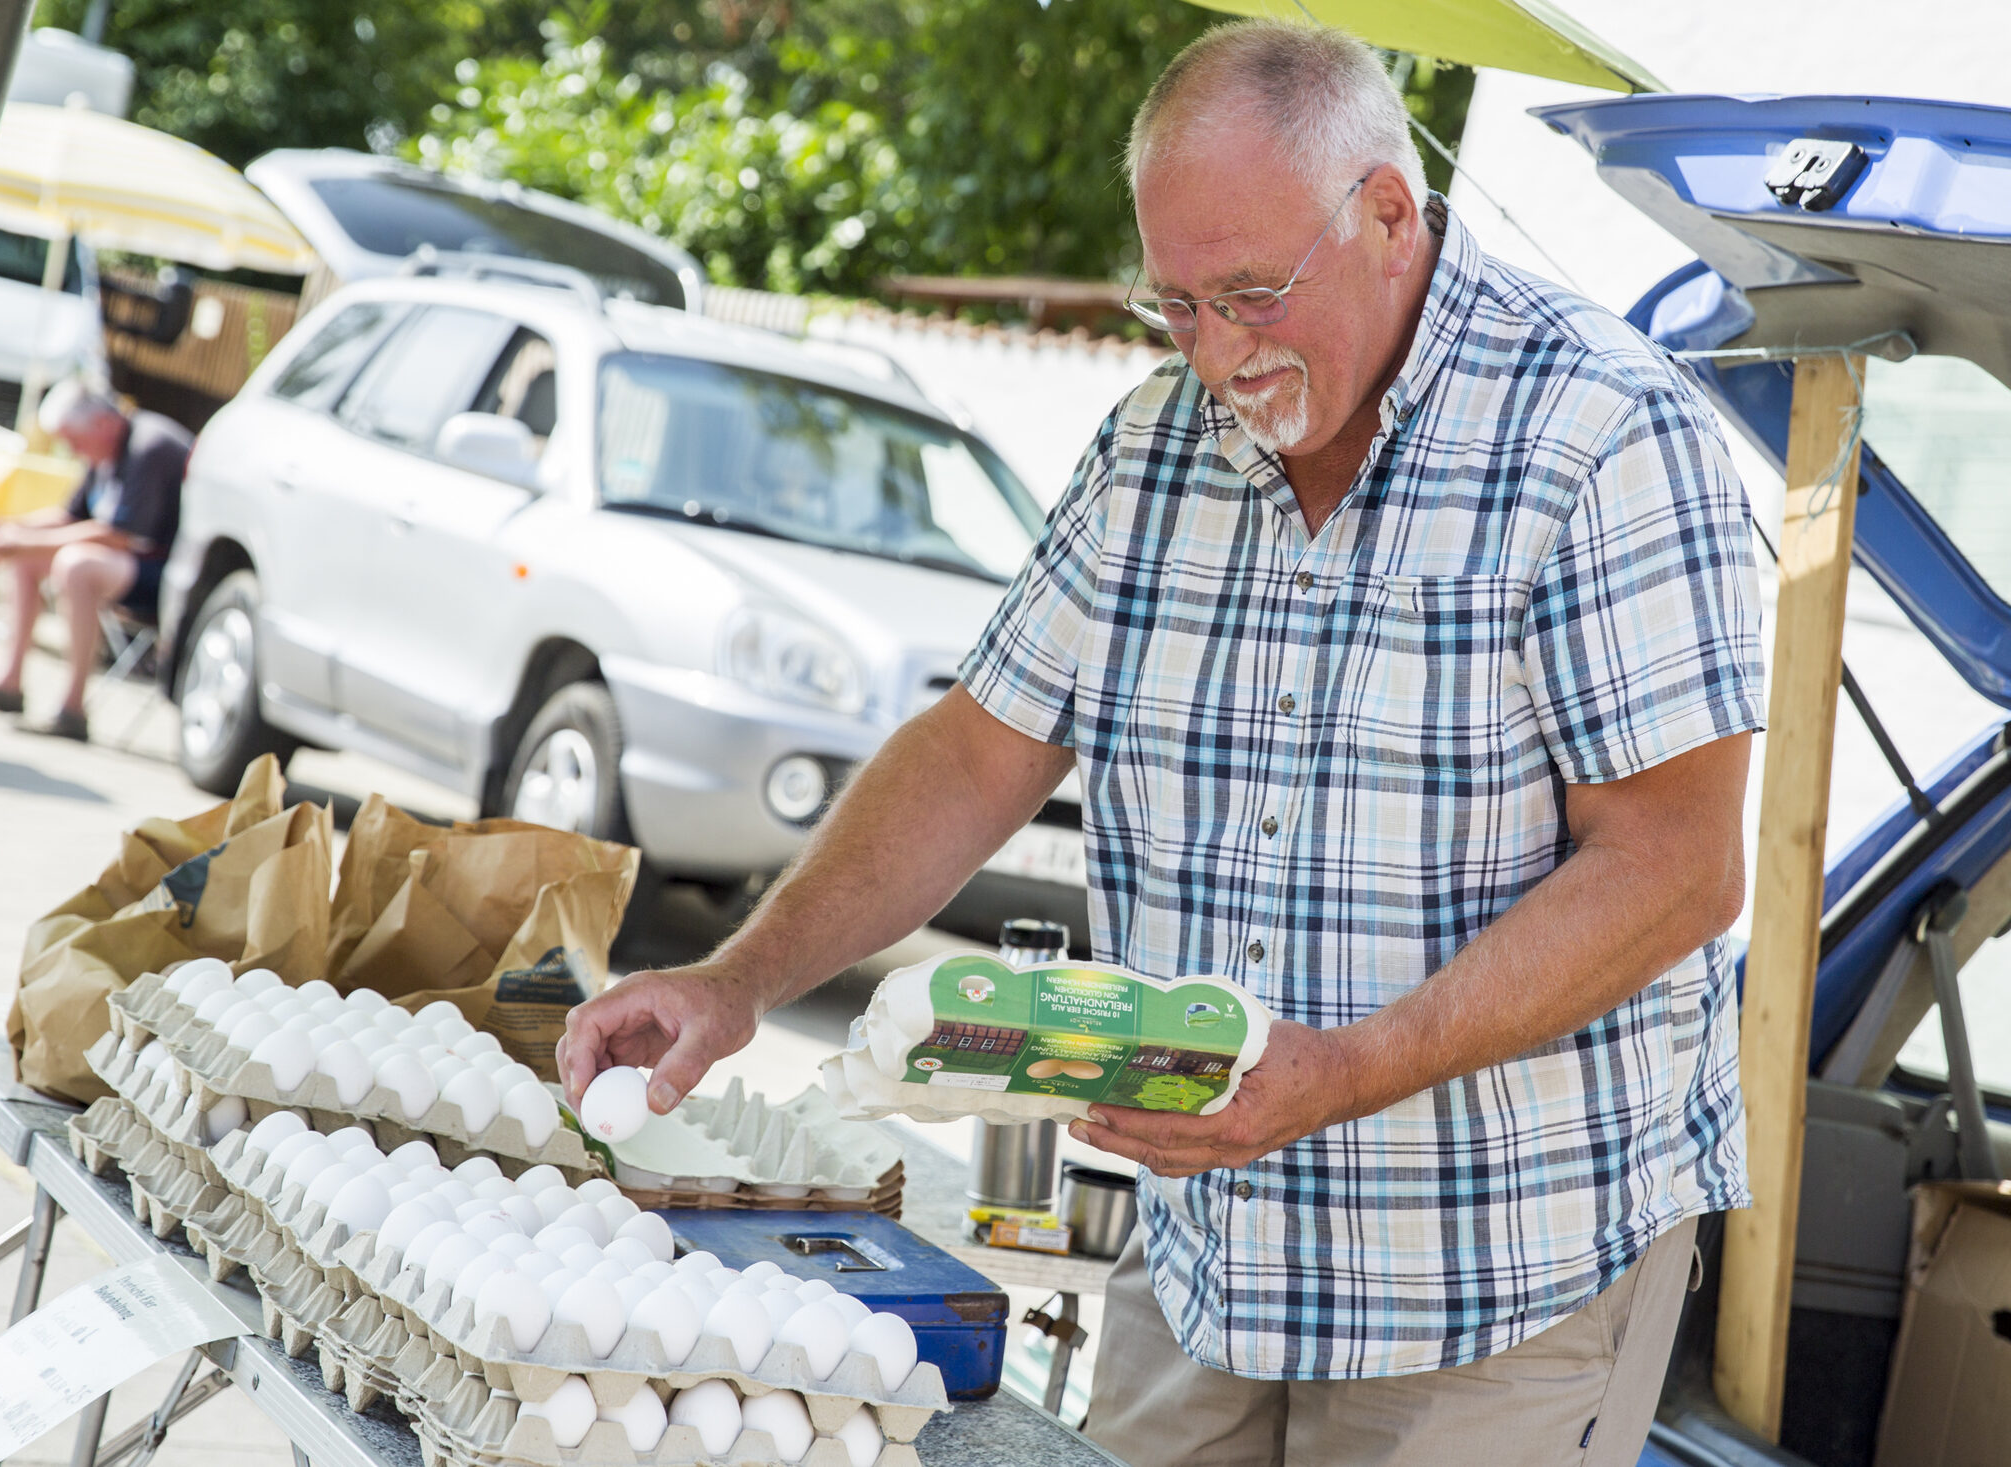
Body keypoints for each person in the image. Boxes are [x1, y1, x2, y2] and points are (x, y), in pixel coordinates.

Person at [560, 20, 1760, 1467]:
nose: (1221, 355)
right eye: (1177, 306)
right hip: (1207, 1253)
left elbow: (1678, 867)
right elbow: (974, 749)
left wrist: (1353, 1066)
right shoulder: (1152, 446)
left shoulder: (1606, 436)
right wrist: (739, 978)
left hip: (1494, 1280)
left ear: (1389, 211)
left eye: (1253, 294)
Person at [0, 380, 192, 741]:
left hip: (168, 578)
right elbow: (70, 517)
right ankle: (8, 683)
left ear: (103, 425)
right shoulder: (103, 447)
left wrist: (23, 539)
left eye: (73, 440)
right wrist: (7, 530)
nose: (71, 451)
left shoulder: (149, 447)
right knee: (26, 558)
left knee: (75, 565)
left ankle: (72, 709)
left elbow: (119, 535)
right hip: (124, 562)